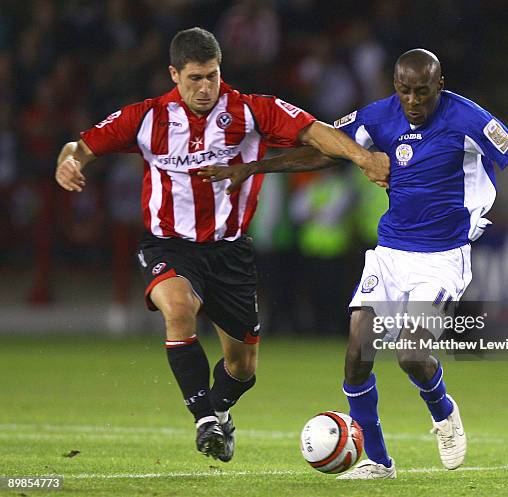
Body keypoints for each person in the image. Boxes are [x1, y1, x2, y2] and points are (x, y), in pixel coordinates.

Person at [198, 49, 508, 478]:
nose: (412, 101)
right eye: (404, 90)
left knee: (412, 353)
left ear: (440, 84)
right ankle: (379, 462)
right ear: (395, 86)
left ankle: (444, 411)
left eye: (422, 92)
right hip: (391, 253)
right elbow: (327, 151)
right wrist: (256, 166)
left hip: (442, 258)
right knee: (357, 354)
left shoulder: (468, 119)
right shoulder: (379, 116)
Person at [54, 27, 389, 463]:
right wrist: (68, 163)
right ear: (174, 74)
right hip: (168, 246)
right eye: (195, 78)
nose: (205, 87)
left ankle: (220, 412)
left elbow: (313, 131)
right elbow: (79, 147)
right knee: (178, 310)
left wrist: (363, 159)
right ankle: (205, 421)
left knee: (242, 368)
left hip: (230, 252)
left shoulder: (251, 111)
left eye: (212, 76)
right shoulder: (146, 118)